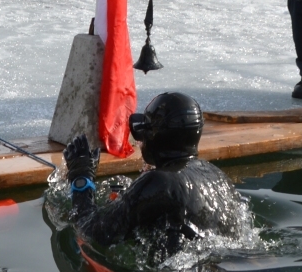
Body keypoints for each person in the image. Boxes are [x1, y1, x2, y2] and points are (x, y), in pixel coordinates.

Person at [62, 92, 243, 253]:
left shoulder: (159, 182)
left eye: (143, 134)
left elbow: (92, 232)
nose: (140, 142)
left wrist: (81, 177)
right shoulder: (215, 174)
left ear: (156, 137)